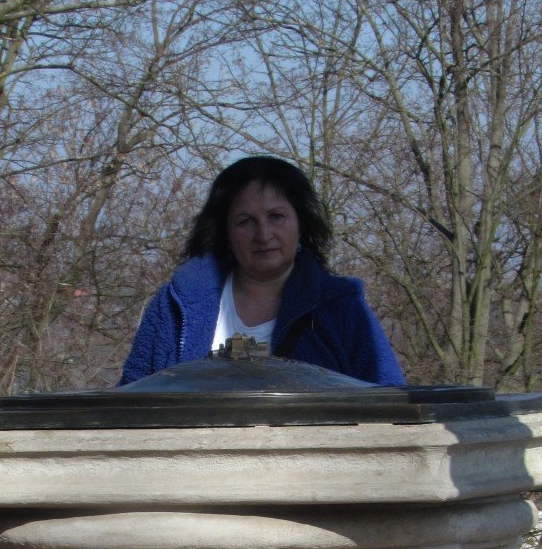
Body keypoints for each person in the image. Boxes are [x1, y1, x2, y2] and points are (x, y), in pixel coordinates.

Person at [120, 156, 405, 386]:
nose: (263, 234)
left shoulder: (342, 309)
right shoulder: (176, 305)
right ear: (224, 231)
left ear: (301, 223)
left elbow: (390, 402)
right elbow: (129, 400)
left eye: (276, 217)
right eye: (246, 221)